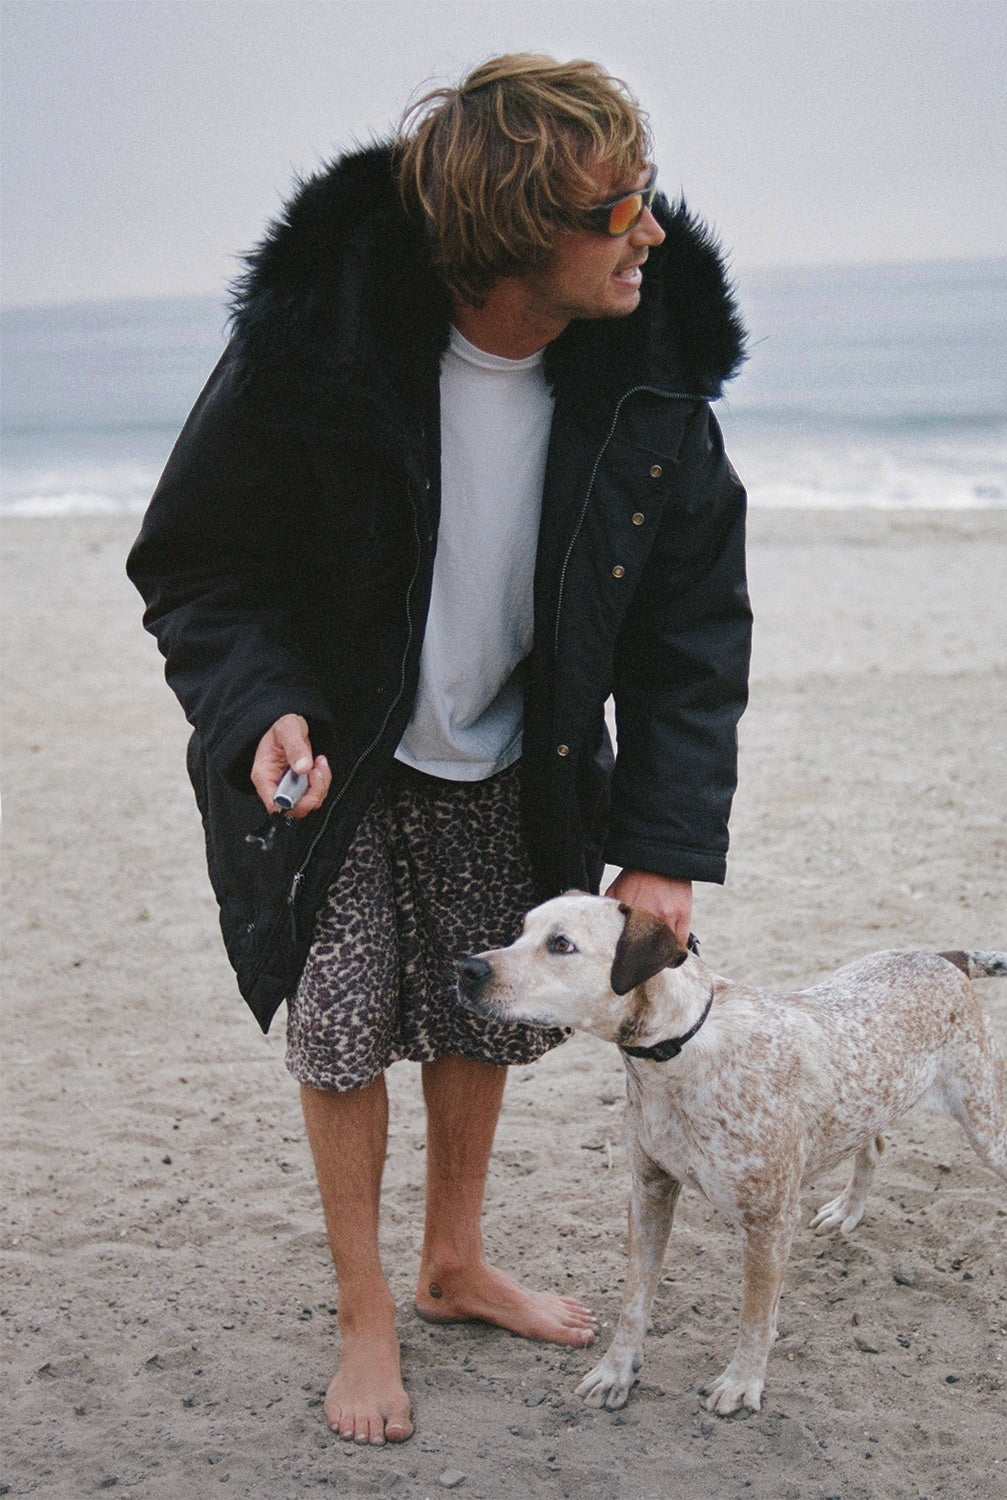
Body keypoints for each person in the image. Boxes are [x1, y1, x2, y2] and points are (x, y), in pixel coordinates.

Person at [128, 53, 751, 1446]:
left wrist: (663, 849)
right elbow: (199, 565)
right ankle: (367, 1315)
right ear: (517, 235)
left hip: (517, 749)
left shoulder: (650, 397)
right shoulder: (316, 349)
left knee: (482, 1006)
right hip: (339, 755)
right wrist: (257, 710)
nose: (652, 227)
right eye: (618, 209)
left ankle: (453, 1260)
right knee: (345, 1018)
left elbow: (689, 638)